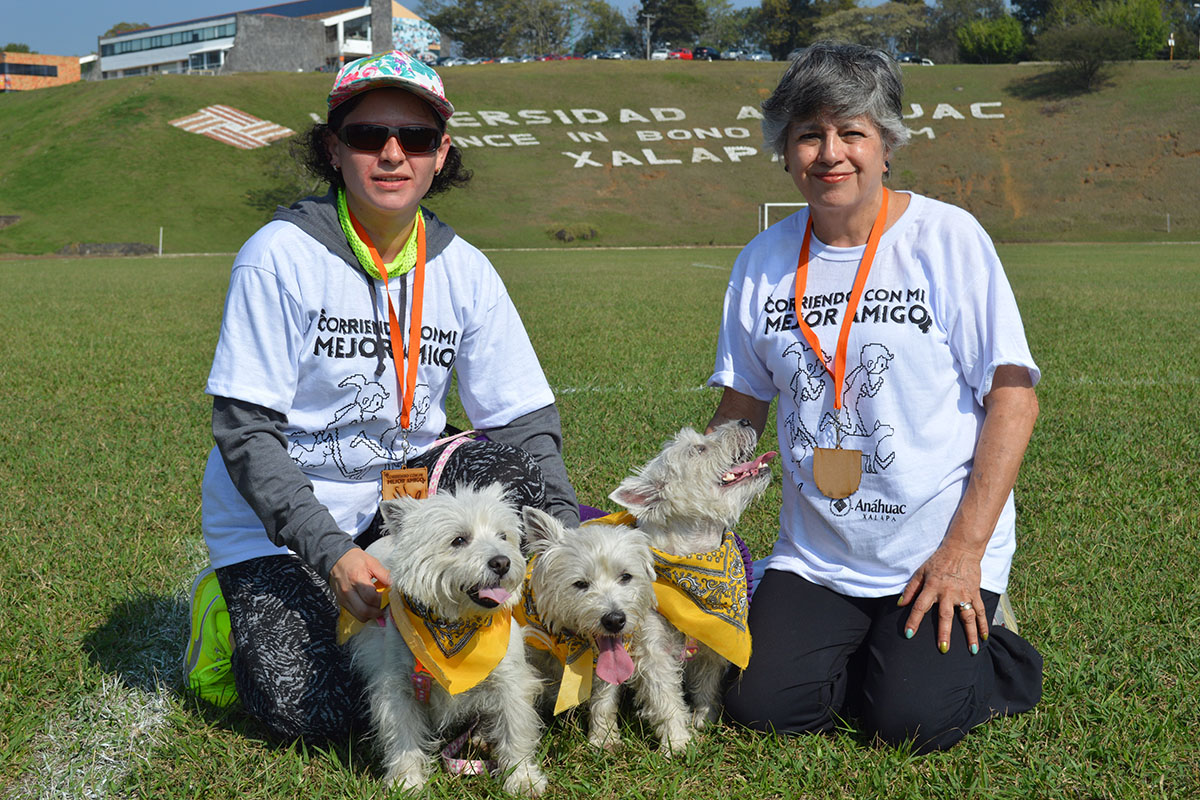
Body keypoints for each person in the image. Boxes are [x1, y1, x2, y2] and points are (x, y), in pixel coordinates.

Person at [188, 50, 580, 742]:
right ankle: (227, 608)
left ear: (441, 153)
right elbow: (245, 433)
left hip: (406, 511)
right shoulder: (279, 255)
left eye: (417, 138)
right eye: (370, 136)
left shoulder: (463, 268)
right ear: (335, 150)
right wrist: (334, 554)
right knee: (321, 715)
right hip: (285, 533)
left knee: (512, 473)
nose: (393, 154)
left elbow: (524, 422)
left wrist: (563, 552)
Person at [708, 42, 1042, 753]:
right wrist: (686, 517)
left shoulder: (946, 239)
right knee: (758, 704)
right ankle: (867, 648)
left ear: (886, 144)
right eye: (808, 134)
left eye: (851, 131)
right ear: (785, 151)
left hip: (934, 548)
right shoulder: (762, 262)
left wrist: (964, 553)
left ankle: (998, 647)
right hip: (818, 555)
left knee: (912, 723)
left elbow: (1013, 398)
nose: (831, 153)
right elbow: (741, 412)